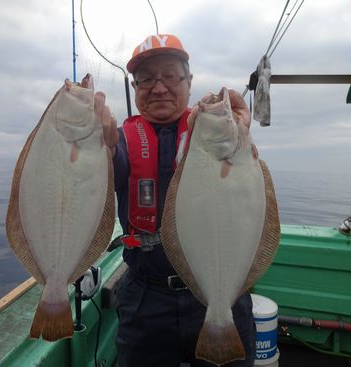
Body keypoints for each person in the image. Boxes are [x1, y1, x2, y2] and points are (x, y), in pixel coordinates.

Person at [97, 34, 256, 367]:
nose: (159, 88)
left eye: (170, 76)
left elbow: (246, 186)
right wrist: (101, 146)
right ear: (135, 88)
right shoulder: (124, 139)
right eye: (146, 80)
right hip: (145, 299)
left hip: (222, 293)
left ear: (189, 81)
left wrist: (241, 134)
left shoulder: (211, 129)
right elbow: (110, 168)